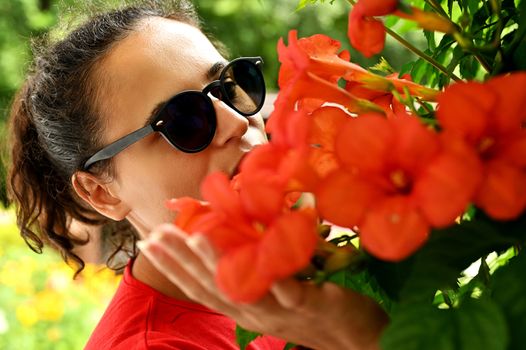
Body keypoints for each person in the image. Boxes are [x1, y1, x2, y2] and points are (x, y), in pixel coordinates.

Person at [6, 1, 388, 349]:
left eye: (229, 87)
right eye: (184, 119)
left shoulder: (291, 273)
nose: (239, 122)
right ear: (101, 192)